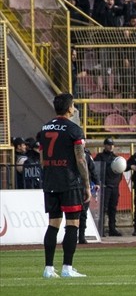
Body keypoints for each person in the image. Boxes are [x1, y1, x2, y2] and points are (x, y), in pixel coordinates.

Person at [36, 92, 90, 278]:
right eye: (73, 105)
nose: (74, 108)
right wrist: (87, 185)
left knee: (53, 224)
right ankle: (67, 267)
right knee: (72, 224)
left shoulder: (44, 129)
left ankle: (48, 268)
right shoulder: (74, 130)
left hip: (50, 180)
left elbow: (43, 158)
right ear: (68, 108)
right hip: (69, 182)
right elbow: (81, 160)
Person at [93, 138, 122, 236]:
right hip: (105, 186)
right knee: (103, 209)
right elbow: (96, 170)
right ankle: (101, 229)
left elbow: (120, 172)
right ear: (104, 145)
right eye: (109, 144)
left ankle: (112, 228)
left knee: (113, 208)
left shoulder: (115, 158)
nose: (110, 146)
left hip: (114, 186)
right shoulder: (100, 157)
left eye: (112, 145)